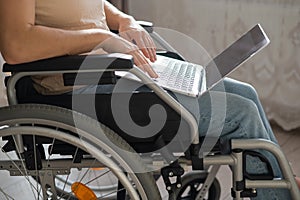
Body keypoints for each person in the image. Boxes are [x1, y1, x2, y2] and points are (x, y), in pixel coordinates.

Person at [0, 0, 299, 199]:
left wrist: (124, 21)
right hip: (72, 89)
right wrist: (98, 38)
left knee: (245, 92)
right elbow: (16, 45)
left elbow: (88, 7)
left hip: (111, 74)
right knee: (240, 113)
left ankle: (279, 181)